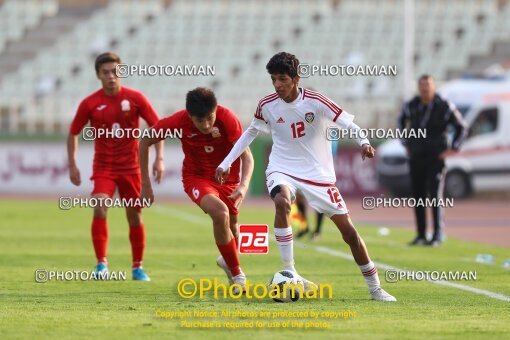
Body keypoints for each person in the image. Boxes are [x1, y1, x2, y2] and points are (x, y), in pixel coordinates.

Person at [216, 52, 396, 301]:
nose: (277, 84)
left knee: (349, 234)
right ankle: (289, 269)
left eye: (282, 79)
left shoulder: (316, 101)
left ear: (296, 78)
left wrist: (364, 142)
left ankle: (376, 288)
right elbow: (249, 133)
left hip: (317, 174)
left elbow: (348, 123)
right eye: (273, 79)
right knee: (282, 202)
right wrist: (226, 163)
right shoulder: (266, 105)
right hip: (282, 167)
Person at [139, 87, 254, 293]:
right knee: (220, 213)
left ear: (216, 110)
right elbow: (145, 140)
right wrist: (146, 184)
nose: (207, 125)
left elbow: (247, 156)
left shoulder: (227, 119)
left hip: (228, 179)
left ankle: (227, 262)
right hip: (197, 178)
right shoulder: (178, 122)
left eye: (210, 118)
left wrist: (244, 186)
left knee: (233, 228)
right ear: (190, 116)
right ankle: (238, 274)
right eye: (200, 121)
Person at [67, 52, 164, 281]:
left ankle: (137, 267)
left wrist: (159, 158)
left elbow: (158, 127)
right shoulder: (90, 103)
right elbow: (73, 133)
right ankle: (101, 264)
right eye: (106, 72)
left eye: (115, 71)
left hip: (131, 168)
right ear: (98, 76)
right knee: (100, 206)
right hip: (104, 168)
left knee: (134, 216)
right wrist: (72, 164)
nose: (111, 76)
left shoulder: (136, 98)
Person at [398, 74, 468, 247]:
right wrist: (406, 143)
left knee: (435, 196)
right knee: (419, 196)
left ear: (434, 87)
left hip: (435, 157)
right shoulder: (411, 105)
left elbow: (462, 127)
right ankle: (421, 234)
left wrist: (453, 148)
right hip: (416, 156)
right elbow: (400, 124)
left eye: (428, 85)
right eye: (422, 85)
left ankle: (437, 234)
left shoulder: (444, 106)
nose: (424, 88)